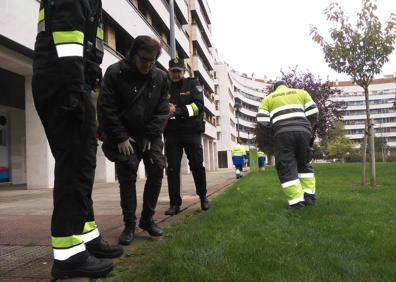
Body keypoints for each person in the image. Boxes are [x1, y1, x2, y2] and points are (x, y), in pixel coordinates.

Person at [31, 0, 123, 279]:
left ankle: (86, 236)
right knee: (73, 167)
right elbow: (67, 38)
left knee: (82, 166)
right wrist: (74, 93)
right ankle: (68, 256)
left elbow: (87, 47)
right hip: (63, 82)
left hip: (73, 82)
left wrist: (88, 83)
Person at [97, 36, 169, 246]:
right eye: (144, 59)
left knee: (156, 168)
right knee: (127, 174)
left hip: (150, 134)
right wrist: (119, 136)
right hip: (124, 133)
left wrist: (151, 134)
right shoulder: (115, 72)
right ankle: (129, 224)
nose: (148, 64)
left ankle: (147, 219)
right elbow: (105, 107)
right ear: (133, 55)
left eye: (153, 60)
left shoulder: (160, 77)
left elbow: (162, 109)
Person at [257, 80, 319, 209]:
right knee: (304, 163)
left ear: (274, 88)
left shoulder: (268, 99)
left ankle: (297, 203)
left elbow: (262, 119)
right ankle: (309, 197)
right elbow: (313, 112)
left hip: (282, 134)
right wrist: (307, 126)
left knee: (286, 165)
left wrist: (273, 129)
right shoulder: (301, 93)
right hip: (303, 132)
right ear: (286, 85)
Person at [164, 57, 209, 216]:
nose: (175, 74)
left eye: (178, 71)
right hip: (171, 133)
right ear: (169, 72)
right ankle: (174, 203)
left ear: (184, 71)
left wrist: (178, 111)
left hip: (191, 131)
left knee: (197, 165)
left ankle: (203, 197)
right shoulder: (165, 86)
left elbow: (198, 107)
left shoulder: (193, 84)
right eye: (173, 71)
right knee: (172, 168)